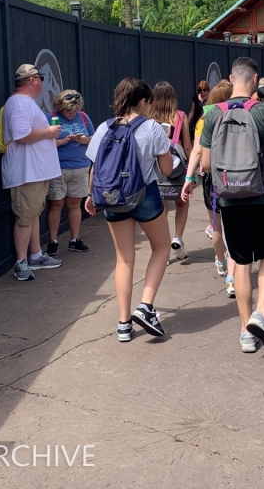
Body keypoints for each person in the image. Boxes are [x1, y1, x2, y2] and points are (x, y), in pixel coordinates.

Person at [186, 57, 264, 353]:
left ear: (231, 79)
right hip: (262, 196)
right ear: (255, 80)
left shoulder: (211, 114)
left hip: (229, 197)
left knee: (241, 262)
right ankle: (262, 312)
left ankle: (246, 332)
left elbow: (206, 164)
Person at [85, 78, 174, 341]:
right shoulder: (153, 128)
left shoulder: (104, 127)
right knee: (162, 247)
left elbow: (95, 168)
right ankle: (145, 306)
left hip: (111, 196)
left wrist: (91, 195)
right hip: (144, 195)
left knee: (123, 259)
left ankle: (124, 323)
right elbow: (167, 170)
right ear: (143, 101)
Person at [1, 64, 64, 280]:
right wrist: (48, 132)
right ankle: (21, 262)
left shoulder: (23, 102)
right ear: (33, 80)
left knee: (33, 213)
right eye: (41, 78)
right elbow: (21, 134)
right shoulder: (20, 103)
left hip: (34, 172)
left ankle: (36, 255)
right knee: (25, 217)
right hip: (26, 173)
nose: (43, 82)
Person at [183, 81, 237, 297]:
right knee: (234, 227)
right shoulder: (239, 116)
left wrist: (189, 177)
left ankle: (221, 262)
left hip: (212, 177)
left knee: (215, 225)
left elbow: (197, 151)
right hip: (236, 176)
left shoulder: (204, 120)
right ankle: (232, 277)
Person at [146, 81, 193, 259]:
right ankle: (177, 237)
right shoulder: (180, 116)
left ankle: (163, 247)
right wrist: (192, 171)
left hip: (156, 168)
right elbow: (187, 146)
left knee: (161, 206)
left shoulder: (148, 118)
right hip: (177, 167)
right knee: (182, 202)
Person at [47, 89, 94, 255]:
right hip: (58, 167)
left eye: (74, 111)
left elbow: (93, 138)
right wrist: (61, 141)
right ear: (60, 107)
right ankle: (53, 241)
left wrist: (84, 140)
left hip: (80, 166)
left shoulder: (83, 117)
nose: (71, 114)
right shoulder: (50, 117)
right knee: (56, 204)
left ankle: (75, 239)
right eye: (68, 110)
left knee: (74, 204)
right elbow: (42, 142)